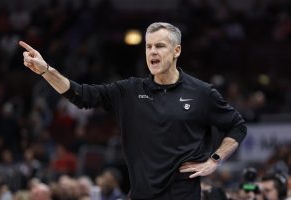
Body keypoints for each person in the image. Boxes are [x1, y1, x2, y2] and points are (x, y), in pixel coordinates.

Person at [20, 22, 247, 200]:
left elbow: (237, 126)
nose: (152, 52)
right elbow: (81, 95)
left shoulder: (201, 92)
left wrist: (214, 160)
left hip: (183, 195)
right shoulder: (129, 91)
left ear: (177, 50)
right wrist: (45, 71)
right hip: (141, 194)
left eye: (160, 46)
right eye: (148, 46)